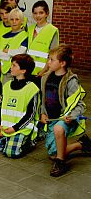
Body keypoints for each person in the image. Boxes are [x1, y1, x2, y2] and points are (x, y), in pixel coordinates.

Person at [39, 44, 88, 177]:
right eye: (48, 59)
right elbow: (43, 100)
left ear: (62, 63)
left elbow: (80, 105)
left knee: (58, 130)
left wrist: (71, 116)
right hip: (51, 120)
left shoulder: (71, 81)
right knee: (52, 154)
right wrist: (43, 113)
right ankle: (81, 144)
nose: (48, 62)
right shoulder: (45, 78)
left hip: (65, 119)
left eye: (52, 60)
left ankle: (61, 162)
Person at [0, 54, 40, 158]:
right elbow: (0, 108)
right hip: (4, 127)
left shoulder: (32, 89)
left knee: (12, 153)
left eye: (14, 65)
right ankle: (9, 143)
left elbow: (30, 115)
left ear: (23, 70)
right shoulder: (7, 85)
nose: (10, 68)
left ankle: (26, 143)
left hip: (20, 128)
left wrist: (15, 128)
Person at [27, 0, 59, 86]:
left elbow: (53, 54)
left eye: (41, 13)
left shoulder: (52, 30)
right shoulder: (29, 29)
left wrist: (44, 70)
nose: (37, 16)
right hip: (28, 70)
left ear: (47, 13)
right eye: (35, 13)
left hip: (42, 72)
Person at [0, 8, 28, 85]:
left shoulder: (25, 35)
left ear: (22, 21)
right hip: (5, 72)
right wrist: (11, 55)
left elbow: (21, 52)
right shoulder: (4, 36)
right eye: (12, 19)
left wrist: (7, 52)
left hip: (18, 72)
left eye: (17, 19)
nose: (14, 22)